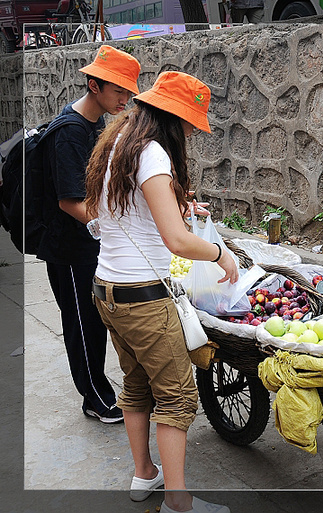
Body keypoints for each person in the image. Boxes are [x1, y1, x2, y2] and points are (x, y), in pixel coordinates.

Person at [85, 71, 238, 513]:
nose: (192, 130)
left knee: (135, 386)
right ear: (171, 117)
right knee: (177, 397)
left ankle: (144, 473)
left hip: (108, 290)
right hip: (143, 297)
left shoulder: (120, 142)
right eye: (190, 122)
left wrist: (178, 201)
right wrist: (219, 255)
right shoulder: (152, 153)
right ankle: (179, 503)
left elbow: (116, 211)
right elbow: (176, 240)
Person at [37, 44, 141, 424]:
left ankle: (99, 390)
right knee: (82, 324)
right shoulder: (69, 133)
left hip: (90, 243)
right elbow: (69, 202)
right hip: (68, 248)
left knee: (96, 321)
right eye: (118, 91)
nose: (125, 99)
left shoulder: (98, 124)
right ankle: (95, 398)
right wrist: (111, 225)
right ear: (94, 85)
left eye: (129, 92)